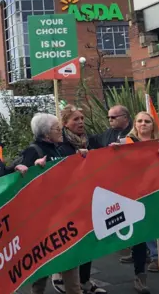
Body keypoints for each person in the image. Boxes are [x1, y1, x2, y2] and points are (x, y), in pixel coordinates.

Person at [119, 111, 159, 292]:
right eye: (139, 121)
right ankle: (140, 278)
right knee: (140, 240)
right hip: (140, 200)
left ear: (153, 125)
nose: (143, 124)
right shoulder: (126, 144)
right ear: (135, 125)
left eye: (147, 121)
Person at [20, 114, 82, 294]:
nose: (60, 131)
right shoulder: (33, 151)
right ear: (47, 133)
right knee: (42, 263)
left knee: (70, 258)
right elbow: (23, 182)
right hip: (43, 220)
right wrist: (32, 169)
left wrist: (81, 156)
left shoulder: (61, 149)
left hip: (64, 215)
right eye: (57, 128)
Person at [55, 105, 105, 294]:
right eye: (75, 119)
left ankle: (85, 280)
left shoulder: (89, 141)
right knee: (71, 242)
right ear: (65, 123)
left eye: (82, 118)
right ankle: (61, 277)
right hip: (67, 202)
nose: (81, 122)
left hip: (89, 198)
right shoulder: (60, 144)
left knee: (88, 241)